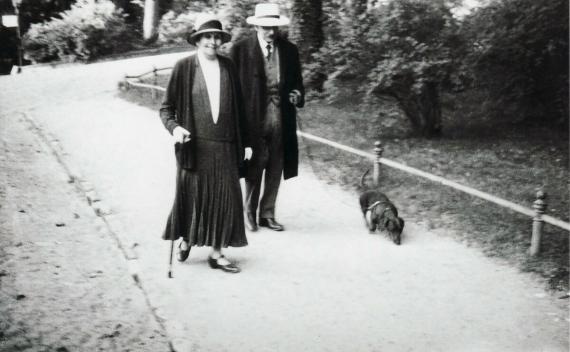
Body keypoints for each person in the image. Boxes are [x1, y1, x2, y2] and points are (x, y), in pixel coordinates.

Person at [159, 14, 252, 273]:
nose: (212, 41)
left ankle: (217, 253)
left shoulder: (229, 66)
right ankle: (188, 238)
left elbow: (240, 110)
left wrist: (245, 143)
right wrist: (175, 128)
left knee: (225, 198)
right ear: (198, 40)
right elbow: (166, 109)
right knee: (194, 196)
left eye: (216, 37)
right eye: (207, 36)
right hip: (195, 147)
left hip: (225, 145)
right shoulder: (184, 67)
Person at [230, 3, 305, 232]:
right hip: (253, 119)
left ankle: (267, 214)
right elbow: (232, 87)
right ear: (256, 27)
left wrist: (297, 94)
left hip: (282, 118)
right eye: (265, 27)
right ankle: (248, 213)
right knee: (254, 164)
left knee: (276, 166)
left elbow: (297, 83)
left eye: (274, 27)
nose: (271, 32)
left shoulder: (289, 50)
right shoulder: (240, 50)